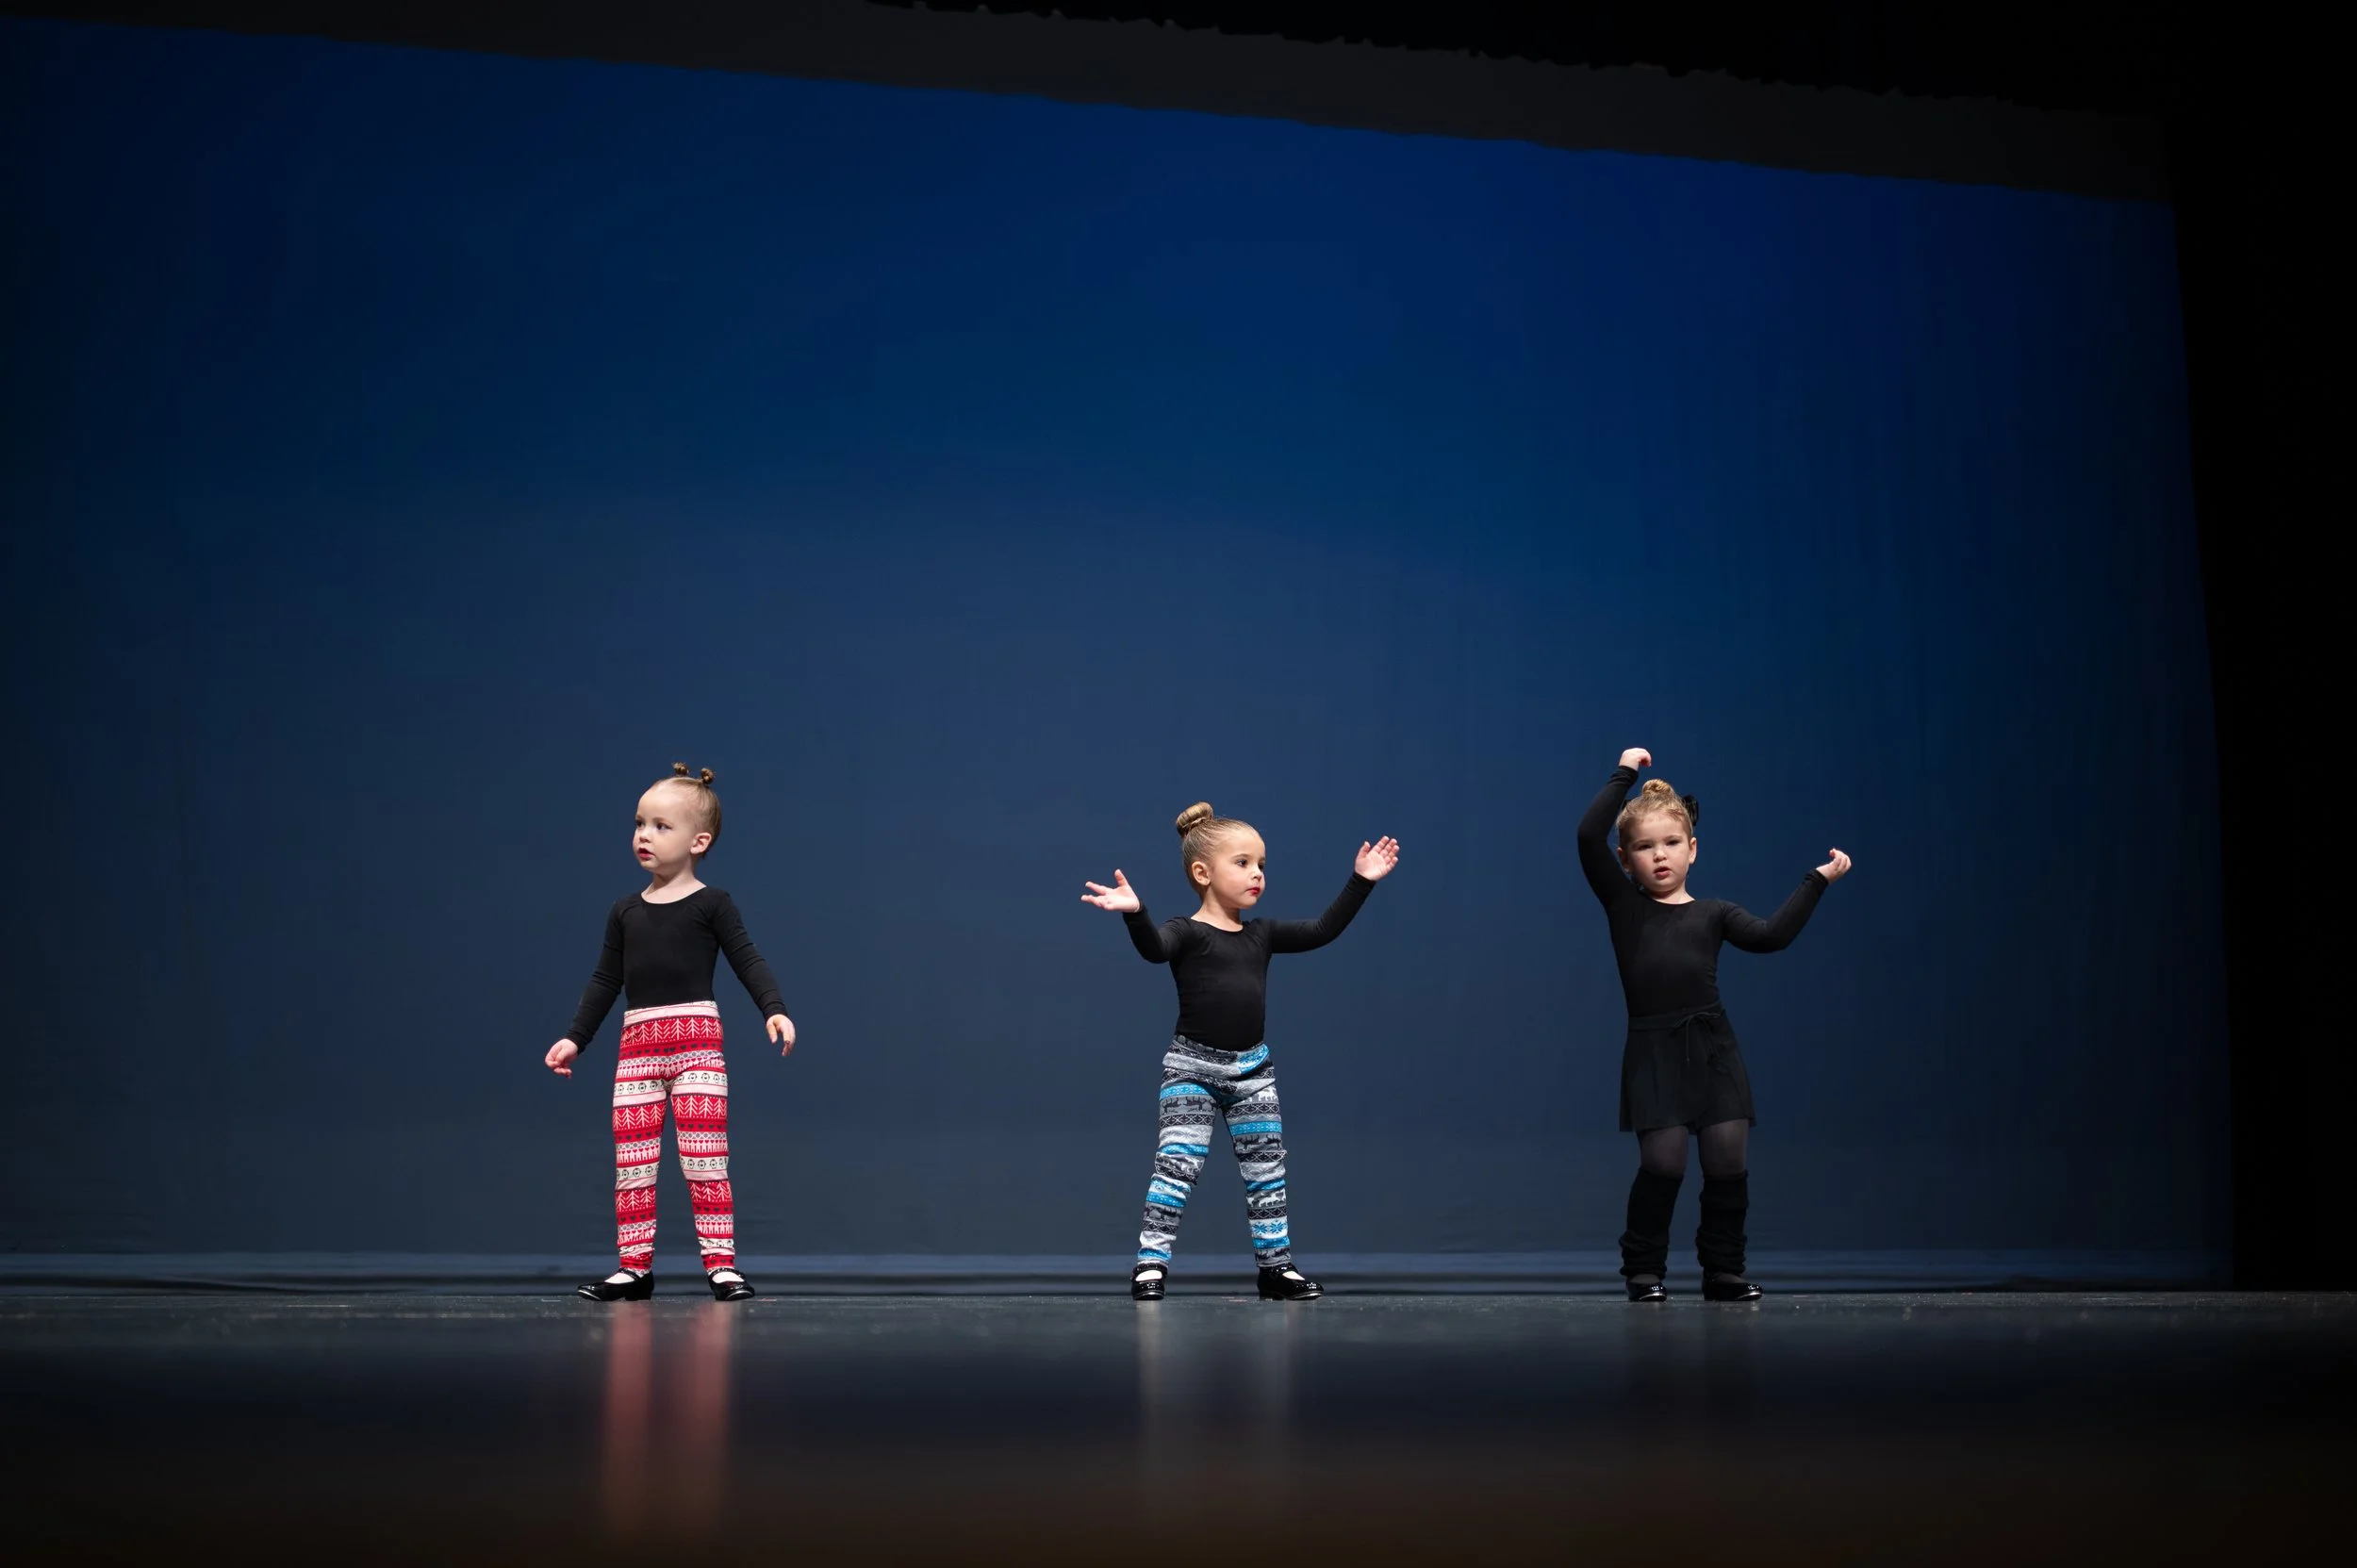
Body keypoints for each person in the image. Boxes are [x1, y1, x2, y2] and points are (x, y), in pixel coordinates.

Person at [1083, 802, 1399, 1302]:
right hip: (1192, 1070)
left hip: (1253, 1072)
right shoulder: (1185, 933)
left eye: (1261, 865)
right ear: (1202, 873)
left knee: (1266, 1170)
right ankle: (1150, 1264)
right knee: (1178, 1165)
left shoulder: (1263, 934)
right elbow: (1154, 949)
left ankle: (1275, 1269)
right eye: (1244, 863)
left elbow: (1322, 931)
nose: (1257, 874)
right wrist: (1136, 914)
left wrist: (1362, 881)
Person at [1576, 748, 1850, 1302]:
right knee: (1665, 1163)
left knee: (1727, 1162)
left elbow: (1771, 936)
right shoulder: (1624, 907)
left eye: (1672, 843)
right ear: (1625, 861)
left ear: (1693, 849)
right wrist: (1625, 772)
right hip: (1655, 1048)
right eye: (1644, 847)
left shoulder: (1715, 912)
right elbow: (1587, 837)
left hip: (1713, 1048)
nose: (1660, 856)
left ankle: (1723, 1271)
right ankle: (1644, 1270)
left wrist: (1816, 881)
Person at [545, 764, 796, 1302]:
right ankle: (634, 1268)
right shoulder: (625, 912)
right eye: (639, 823)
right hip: (638, 1049)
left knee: (705, 1158)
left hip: (697, 1045)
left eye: (661, 826)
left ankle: (722, 1266)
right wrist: (576, 1037)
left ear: (698, 841)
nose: (644, 835)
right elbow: (606, 979)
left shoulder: (713, 905)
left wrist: (772, 1008)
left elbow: (748, 960)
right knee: (632, 1165)